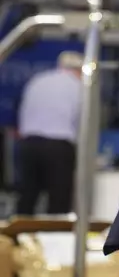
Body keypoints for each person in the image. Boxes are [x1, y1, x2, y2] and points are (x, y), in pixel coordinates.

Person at [15, 50, 82, 215]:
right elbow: (83, 122)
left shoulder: (38, 80)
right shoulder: (79, 86)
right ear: (79, 70)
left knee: (27, 195)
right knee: (59, 199)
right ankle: (55, 239)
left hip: (29, 144)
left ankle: (18, 237)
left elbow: (22, 111)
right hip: (58, 146)